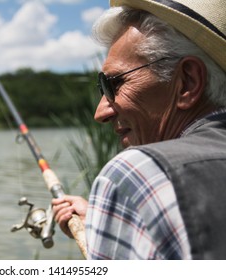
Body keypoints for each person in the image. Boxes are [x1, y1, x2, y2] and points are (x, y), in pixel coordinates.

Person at [53, 0, 226, 260]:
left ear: (188, 82)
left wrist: (128, 198)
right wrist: (119, 223)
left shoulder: (136, 174)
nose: (100, 113)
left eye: (115, 83)